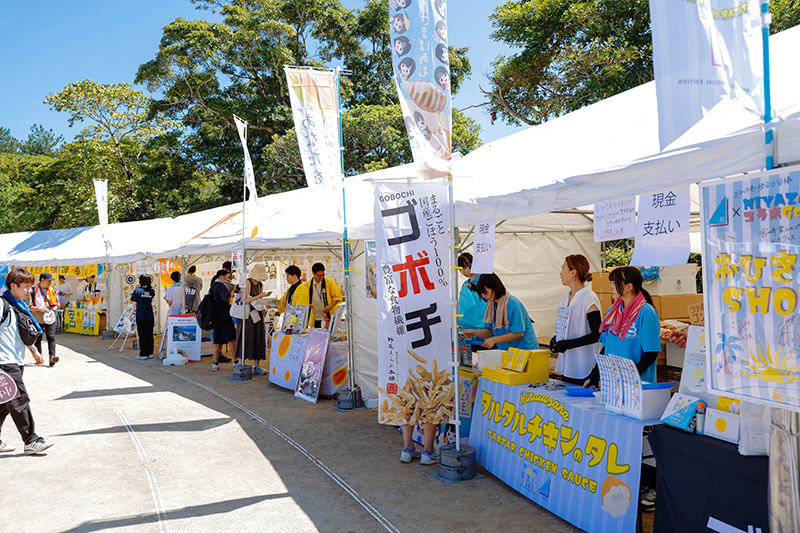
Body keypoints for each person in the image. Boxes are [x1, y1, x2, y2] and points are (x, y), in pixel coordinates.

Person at [0, 268, 54, 454]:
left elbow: (18, 333)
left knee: (4, 404)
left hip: (15, 359)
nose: (29, 291)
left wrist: (34, 351)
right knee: (19, 400)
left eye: (31, 287)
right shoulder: (2, 304)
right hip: (4, 362)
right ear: (13, 286)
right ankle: (30, 440)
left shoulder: (17, 305)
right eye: (26, 287)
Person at [592, 266, 661, 384]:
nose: (610, 287)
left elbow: (651, 353)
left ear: (629, 287)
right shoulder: (612, 311)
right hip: (613, 381)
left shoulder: (646, 312)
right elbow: (605, 347)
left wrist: (629, 377)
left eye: (614, 283)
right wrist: (594, 376)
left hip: (637, 383)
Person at [550, 255, 602, 385]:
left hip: (583, 364)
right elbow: (566, 327)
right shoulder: (564, 297)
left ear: (573, 273)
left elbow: (596, 334)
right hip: (567, 363)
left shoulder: (588, 297)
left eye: (563, 269)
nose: (560, 273)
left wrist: (567, 344)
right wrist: (556, 339)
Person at [463, 273, 539, 351]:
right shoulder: (490, 305)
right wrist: (473, 333)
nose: (485, 296)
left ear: (495, 287)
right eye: (482, 294)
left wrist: (494, 340)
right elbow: (490, 331)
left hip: (525, 350)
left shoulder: (512, 303)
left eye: (486, 292)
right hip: (507, 351)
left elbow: (518, 333)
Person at [234, 263, 271, 375]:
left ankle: (257, 366)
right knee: (245, 337)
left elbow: (257, 301)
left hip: (257, 315)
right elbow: (244, 300)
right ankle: (241, 363)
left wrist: (265, 300)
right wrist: (260, 296)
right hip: (246, 315)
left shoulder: (260, 284)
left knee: (258, 338)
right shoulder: (247, 282)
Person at [28, 272, 59, 367]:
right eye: (48, 281)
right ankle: (39, 357)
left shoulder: (52, 290)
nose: (50, 283)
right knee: (38, 338)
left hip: (50, 317)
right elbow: (29, 306)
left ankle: (52, 357)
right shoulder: (33, 291)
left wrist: (52, 310)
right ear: (42, 280)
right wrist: (39, 309)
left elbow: (56, 304)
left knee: (51, 337)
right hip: (37, 318)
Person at [210, 269, 237, 372]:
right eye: (227, 277)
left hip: (216, 318)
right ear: (221, 277)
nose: (229, 280)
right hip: (224, 316)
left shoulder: (213, 284)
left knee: (217, 341)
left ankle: (215, 363)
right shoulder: (221, 285)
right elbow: (226, 297)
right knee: (231, 339)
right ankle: (235, 361)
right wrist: (233, 291)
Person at [305, 263, 343, 328]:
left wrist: (330, 306)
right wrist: (307, 304)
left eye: (323, 275)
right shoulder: (307, 285)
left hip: (329, 316)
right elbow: (304, 300)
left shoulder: (330, 282)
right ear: (313, 273)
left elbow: (338, 297)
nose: (321, 277)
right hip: (316, 318)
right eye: (319, 276)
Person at [456, 253, 487, 333]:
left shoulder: (485, 279)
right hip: (469, 328)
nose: (463, 271)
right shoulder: (465, 284)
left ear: (472, 264)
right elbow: (462, 306)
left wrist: (476, 288)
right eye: (460, 270)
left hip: (486, 326)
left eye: (464, 267)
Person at [131, 275, 155, 360]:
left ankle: (143, 354)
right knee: (149, 334)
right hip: (150, 315)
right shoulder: (152, 291)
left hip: (141, 316)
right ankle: (150, 353)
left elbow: (134, 303)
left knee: (143, 335)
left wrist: (130, 315)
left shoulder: (137, 291)